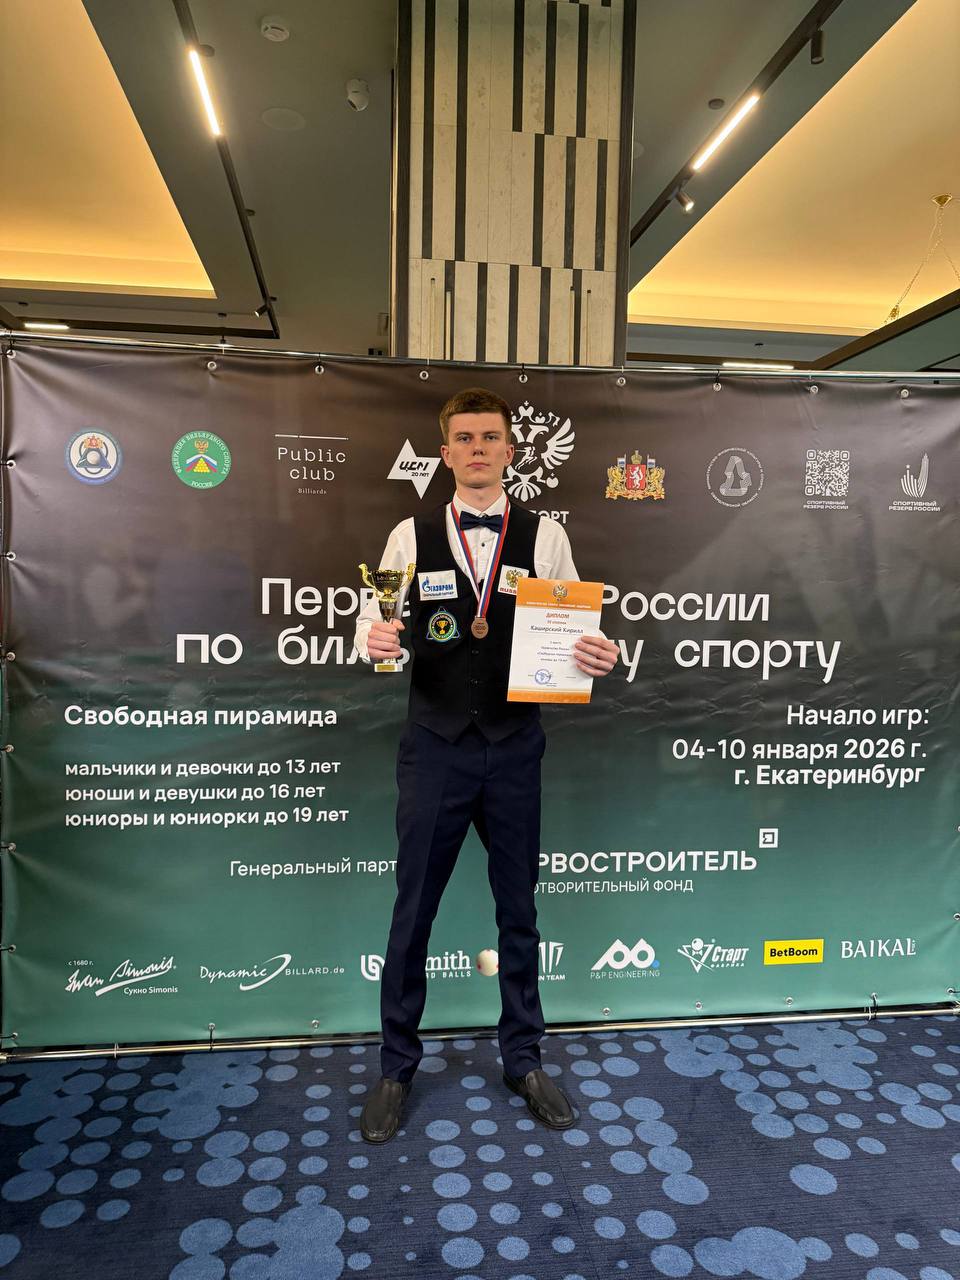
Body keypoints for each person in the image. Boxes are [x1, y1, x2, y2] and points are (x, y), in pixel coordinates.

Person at [353, 387, 619, 1144]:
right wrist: (375, 642)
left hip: (513, 748)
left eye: (490, 437)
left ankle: (523, 1059)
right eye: (464, 438)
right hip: (434, 747)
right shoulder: (408, 534)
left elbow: (574, 632)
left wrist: (596, 652)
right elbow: (376, 627)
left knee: (518, 911)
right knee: (413, 911)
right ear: (445, 454)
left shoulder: (545, 536)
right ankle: (397, 1066)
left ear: (510, 451)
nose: (478, 449)